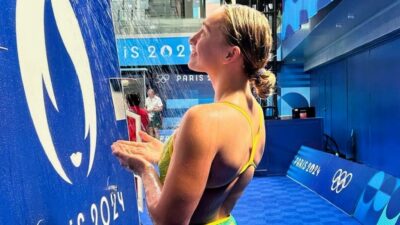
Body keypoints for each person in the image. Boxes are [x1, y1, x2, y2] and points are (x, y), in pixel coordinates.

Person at [112, 4, 276, 225]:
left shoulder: (204, 119)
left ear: (230, 54)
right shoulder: (254, 113)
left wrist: (143, 169)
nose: (192, 38)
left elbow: (168, 221)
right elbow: (215, 174)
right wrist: (169, 155)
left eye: (204, 32)